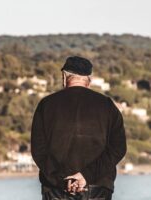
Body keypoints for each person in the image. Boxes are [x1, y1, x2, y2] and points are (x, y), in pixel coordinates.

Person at [31, 56, 127, 200]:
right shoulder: (107, 105)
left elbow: (39, 151)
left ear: (64, 77)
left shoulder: (46, 105)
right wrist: (86, 176)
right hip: (97, 189)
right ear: (89, 79)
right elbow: (118, 148)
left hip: (56, 190)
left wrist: (62, 179)